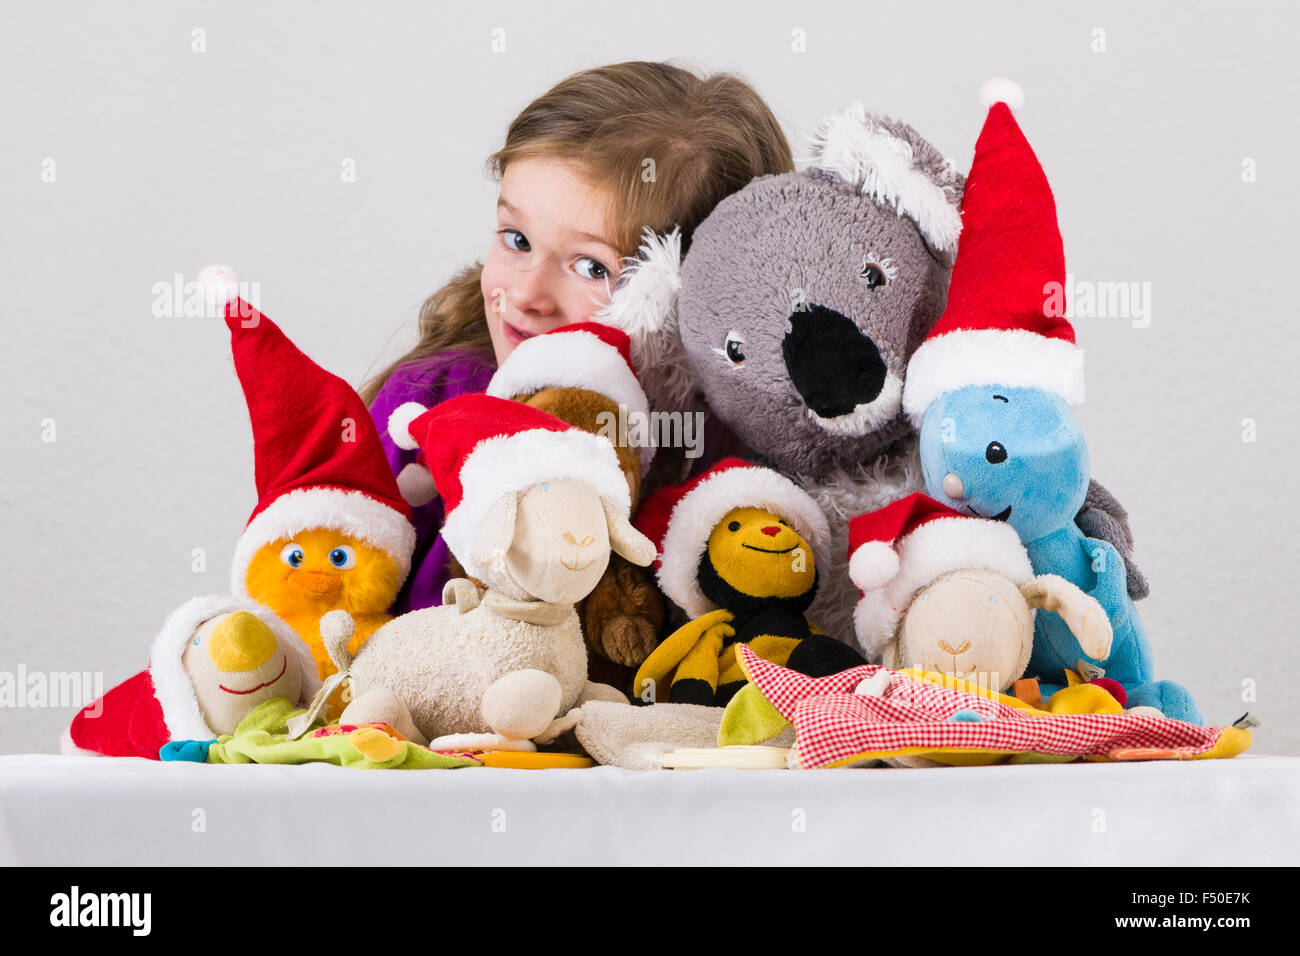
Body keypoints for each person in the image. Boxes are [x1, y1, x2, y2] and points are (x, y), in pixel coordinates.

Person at [361, 59, 794, 615]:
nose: (524, 295)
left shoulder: (729, 457)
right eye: (516, 239)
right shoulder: (429, 401)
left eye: (592, 268)